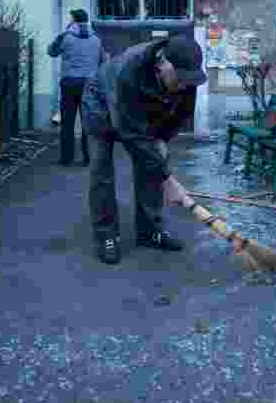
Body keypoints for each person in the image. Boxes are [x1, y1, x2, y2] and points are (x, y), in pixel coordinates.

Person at [80, 35, 208, 264]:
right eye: (179, 79)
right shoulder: (130, 71)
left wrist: (162, 139)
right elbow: (132, 134)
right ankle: (106, 235)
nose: (183, 86)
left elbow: (181, 114)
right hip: (100, 104)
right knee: (101, 171)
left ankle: (149, 231)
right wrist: (168, 181)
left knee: (151, 163)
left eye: (188, 81)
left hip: (140, 111)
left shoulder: (186, 75)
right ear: (162, 62)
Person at [47, 8, 105, 166]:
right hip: (89, 85)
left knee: (67, 121)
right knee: (88, 122)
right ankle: (89, 157)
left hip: (70, 84)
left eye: (70, 18)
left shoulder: (66, 37)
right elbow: (103, 60)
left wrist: (60, 36)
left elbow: (51, 52)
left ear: (74, 20)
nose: (69, 20)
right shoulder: (96, 39)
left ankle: (67, 158)